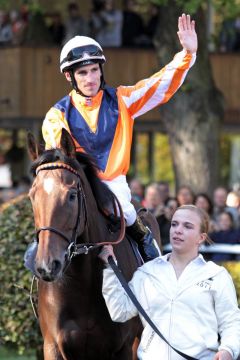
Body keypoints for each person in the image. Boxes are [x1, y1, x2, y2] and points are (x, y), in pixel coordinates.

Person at [42, 13, 198, 262]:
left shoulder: (123, 100)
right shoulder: (56, 116)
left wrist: (187, 55)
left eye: (95, 70)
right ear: (69, 77)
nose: (91, 78)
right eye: (83, 73)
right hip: (76, 187)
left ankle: (151, 256)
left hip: (114, 186)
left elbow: (159, 85)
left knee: (125, 211)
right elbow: (59, 163)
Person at [99, 205, 240, 360]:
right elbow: (120, 311)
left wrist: (228, 350)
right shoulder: (147, 272)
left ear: (201, 237)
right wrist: (110, 268)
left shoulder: (216, 275)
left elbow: (231, 322)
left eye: (187, 226)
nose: (178, 230)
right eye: (174, 224)